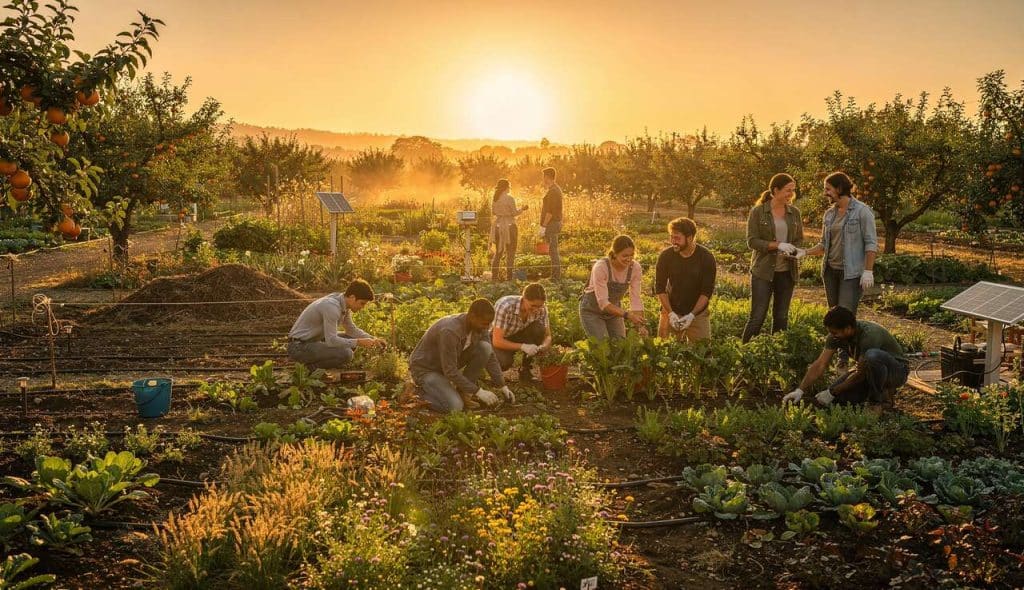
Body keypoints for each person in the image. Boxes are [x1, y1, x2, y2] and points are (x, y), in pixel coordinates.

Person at [782, 306, 908, 406]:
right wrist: (800, 390)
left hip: (896, 372)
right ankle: (872, 393)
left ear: (847, 328)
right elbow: (820, 364)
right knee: (840, 400)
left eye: (834, 332)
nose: (832, 335)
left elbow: (861, 373)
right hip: (867, 370)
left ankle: (878, 401)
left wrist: (833, 392)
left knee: (872, 356)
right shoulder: (836, 337)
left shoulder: (869, 335)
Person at [409, 298, 514, 412]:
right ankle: (414, 393)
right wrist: (478, 391)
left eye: (489, 324)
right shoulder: (450, 331)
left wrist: (502, 386)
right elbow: (450, 371)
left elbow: (490, 357)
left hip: (445, 367)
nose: (487, 328)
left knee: (485, 348)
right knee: (455, 407)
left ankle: (464, 393)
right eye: (484, 323)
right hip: (426, 369)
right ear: (472, 316)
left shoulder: (479, 327)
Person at [800, 171, 878, 316]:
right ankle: (836, 339)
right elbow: (824, 244)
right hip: (830, 272)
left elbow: (871, 243)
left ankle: (850, 339)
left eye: (828, 189)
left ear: (840, 189)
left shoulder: (862, 212)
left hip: (850, 274)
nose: (825, 193)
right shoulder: (829, 214)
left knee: (845, 316)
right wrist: (804, 252)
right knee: (834, 317)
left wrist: (868, 271)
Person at [741, 173, 804, 343]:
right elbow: (752, 241)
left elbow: (798, 239)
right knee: (757, 316)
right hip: (763, 272)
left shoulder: (794, 213)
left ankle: (777, 354)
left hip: (786, 272)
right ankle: (744, 352)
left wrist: (794, 250)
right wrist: (776, 245)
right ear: (775, 190)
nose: (791, 194)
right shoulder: (758, 212)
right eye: (787, 190)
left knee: (781, 317)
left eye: (793, 190)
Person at [287, 279, 385, 369]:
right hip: (299, 347)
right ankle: (310, 369)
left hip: (313, 341)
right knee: (346, 353)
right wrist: (359, 342)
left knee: (350, 338)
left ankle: (314, 365)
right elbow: (331, 340)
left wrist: (373, 339)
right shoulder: (331, 307)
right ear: (352, 297)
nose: (362, 307)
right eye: (362, 303)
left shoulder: (343, 303)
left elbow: (351, 329)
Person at [655, 217, 717, 342]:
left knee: (702, 352)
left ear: (690, 238)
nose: (673, 241)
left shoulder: (706, 258)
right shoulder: (666, 256)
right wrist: (671, 313)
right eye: (671, 237)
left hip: (697, 312)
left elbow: (706, 292)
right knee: (663, 349)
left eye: (677, 238)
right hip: (671, 308)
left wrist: (691, 315)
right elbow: (660, 288)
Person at [580, 234, 647, 339]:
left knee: (620, 345)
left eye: (631, 255)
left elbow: (635, 298)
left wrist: (640, 325)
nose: (629, 259)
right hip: (592, 311)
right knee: (602, 344)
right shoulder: (601, 267)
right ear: (615, 254)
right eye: (625, 255)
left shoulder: (635, 268)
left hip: (615, 313)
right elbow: (603, 304)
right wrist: (628, 315)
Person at [491, 283, 553, 381]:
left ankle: (525, 369)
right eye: (533, 306)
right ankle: (491, 369)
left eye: (539, 306)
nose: (536, 310)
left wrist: (543, 346)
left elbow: (547, 335)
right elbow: (497, 341)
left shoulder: (542, 309)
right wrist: (523, 346)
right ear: (524, 298)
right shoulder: (505, 306)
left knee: (538, 329)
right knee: (504, 362)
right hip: (497, 337)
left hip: (518, 333)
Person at [490, 178, 528, 282]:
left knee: (498, 253)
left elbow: (493, 212)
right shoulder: (509, 198)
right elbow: (514, 213)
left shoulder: (495, 199)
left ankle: (494, 277)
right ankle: (509, 278)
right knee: (511, 252)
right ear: (507, 187)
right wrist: (523, 209)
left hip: (498, 226)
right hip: (509, 226)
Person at [538, 167, 563, 279]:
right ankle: (555, 275)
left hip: (551, 224)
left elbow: (550, 211)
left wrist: (543, 226)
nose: (543, 179)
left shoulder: (553, 191)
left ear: (548, 177)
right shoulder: (554, 189)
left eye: (544, 177)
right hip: (553, 224)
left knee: (553, 250)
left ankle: (555, 277)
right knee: (552, 250)